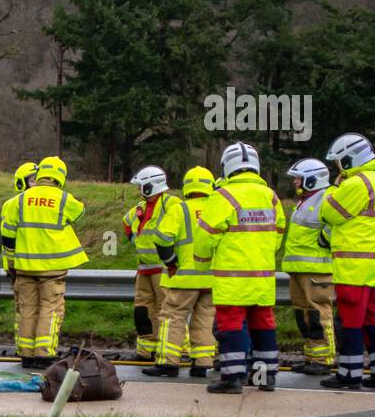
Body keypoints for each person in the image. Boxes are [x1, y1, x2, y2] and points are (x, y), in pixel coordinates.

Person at [193, 142, 287, 394]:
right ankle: (265, 378)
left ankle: (232, 378)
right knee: (263, 324)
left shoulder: (223, 196)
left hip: (232, 277)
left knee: (230, 325)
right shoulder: (271, 196)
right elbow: (278, 232)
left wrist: (200, 260)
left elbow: (204, 237)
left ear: (227, 167)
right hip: (263, 277)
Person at [319, 134, 375, 390]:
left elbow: (328, 213)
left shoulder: (356, 184)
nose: (338, 167)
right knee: (374, 319)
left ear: (351, 159)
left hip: (352, 269)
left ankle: (348, 374)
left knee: (350, 322)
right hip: (372, 268)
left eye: (340, 162)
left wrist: (333, 187)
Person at [0, 156, 87, 368]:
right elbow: (80, 212)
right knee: (50, 309)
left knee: (27, 309)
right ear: (60, 176)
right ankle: (44, 354)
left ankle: (27, 354)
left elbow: (7, 235)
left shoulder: (16, 201)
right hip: (52, 269)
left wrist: (10, 261)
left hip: (23, 267)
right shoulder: (64, 199)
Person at [144, 166, 217, 378]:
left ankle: (168, 362)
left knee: (172, 317)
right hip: (212, 278)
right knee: (205, 319)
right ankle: (202, 363)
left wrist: (171, 261)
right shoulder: (218, 208)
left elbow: (161, 238)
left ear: (187, 187)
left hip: (183, 278)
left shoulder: (180, 209)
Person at [281, 158, 337, 375]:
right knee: (303, 315)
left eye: (298, 178)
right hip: (299, 269)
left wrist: (325, 239)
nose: (295, 182)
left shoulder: (327, 197)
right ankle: (312, 357)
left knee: (318, 314)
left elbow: (337, 222)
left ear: (313, 179)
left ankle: (324, 359)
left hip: (317, 270)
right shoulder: (306, 200)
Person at [123, 166, 178, 360]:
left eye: (141, 187)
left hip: (164, 268)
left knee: (168, 311)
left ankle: (177, 352)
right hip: (144, 268)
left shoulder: (172, 204)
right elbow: (126, 222)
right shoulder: (141, 207)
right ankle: (146, 351)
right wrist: (134, 240)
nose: (140, 191)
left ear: (150, 186)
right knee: (143, 311)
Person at [0, 161, 38, 276]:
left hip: (41, 265)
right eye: (33, 181)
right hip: (18, 266)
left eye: (39, 181)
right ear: (21, 183)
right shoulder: (12, 204)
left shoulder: (45, 204)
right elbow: (7, 237)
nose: (37, 185)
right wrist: (11, 265)